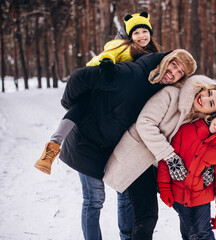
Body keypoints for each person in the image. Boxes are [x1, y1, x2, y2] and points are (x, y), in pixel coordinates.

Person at [40, 47, 196, 240]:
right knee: (94, 199)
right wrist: (69, 103)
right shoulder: (133, 74)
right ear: (166, 61)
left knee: (124, 195)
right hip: (88, 141)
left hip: (113, 146)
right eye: (173, 65)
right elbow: (79, 77)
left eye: (180, 72)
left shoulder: (162, 89)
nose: (173, 73)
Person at [103, 75, 216, 239]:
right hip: (139, 158)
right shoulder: (171, 94)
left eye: (211, 103)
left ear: (213, 113)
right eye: (208, 93)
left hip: (163, 166)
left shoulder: (199, 121)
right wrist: (170, 158)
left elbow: (204, 151)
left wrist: (207, 168)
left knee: (187, 216)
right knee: (145, 216)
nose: (204, 98)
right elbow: (145, 123)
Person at [34, 11, 160, 175]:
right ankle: (53, 145)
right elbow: (108, 53)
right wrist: (107, 63)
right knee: (82, 107)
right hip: (99, 82)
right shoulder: (123, 46)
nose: (141, 36)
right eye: (136, 33)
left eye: (144, 31)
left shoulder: (152, 53)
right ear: (130, 36)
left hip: (115, 96)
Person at [157, 109, 216, 239]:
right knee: (189, 233)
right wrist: (164, 187)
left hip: (202, 197)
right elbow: (166, 158)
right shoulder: (187, 130)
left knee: (203, 233)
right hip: (179, 193)